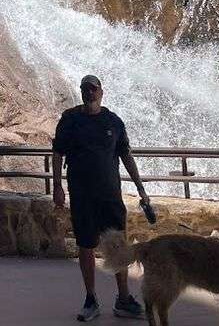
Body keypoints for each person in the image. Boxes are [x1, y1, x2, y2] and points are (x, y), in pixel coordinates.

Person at [52, 75, 150, 321]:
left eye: (93, 89)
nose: (89, 93)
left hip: (110, 196)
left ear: (101, 92)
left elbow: (126, 155)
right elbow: (57, 153)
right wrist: (57, 186)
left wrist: (141, 189)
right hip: (82, 195)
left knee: (117, 244)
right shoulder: (70, 119)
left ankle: (123, 299)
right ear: (81, 91)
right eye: (85, 89)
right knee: (86, 246)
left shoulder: (113, 121)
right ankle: (90, 299)